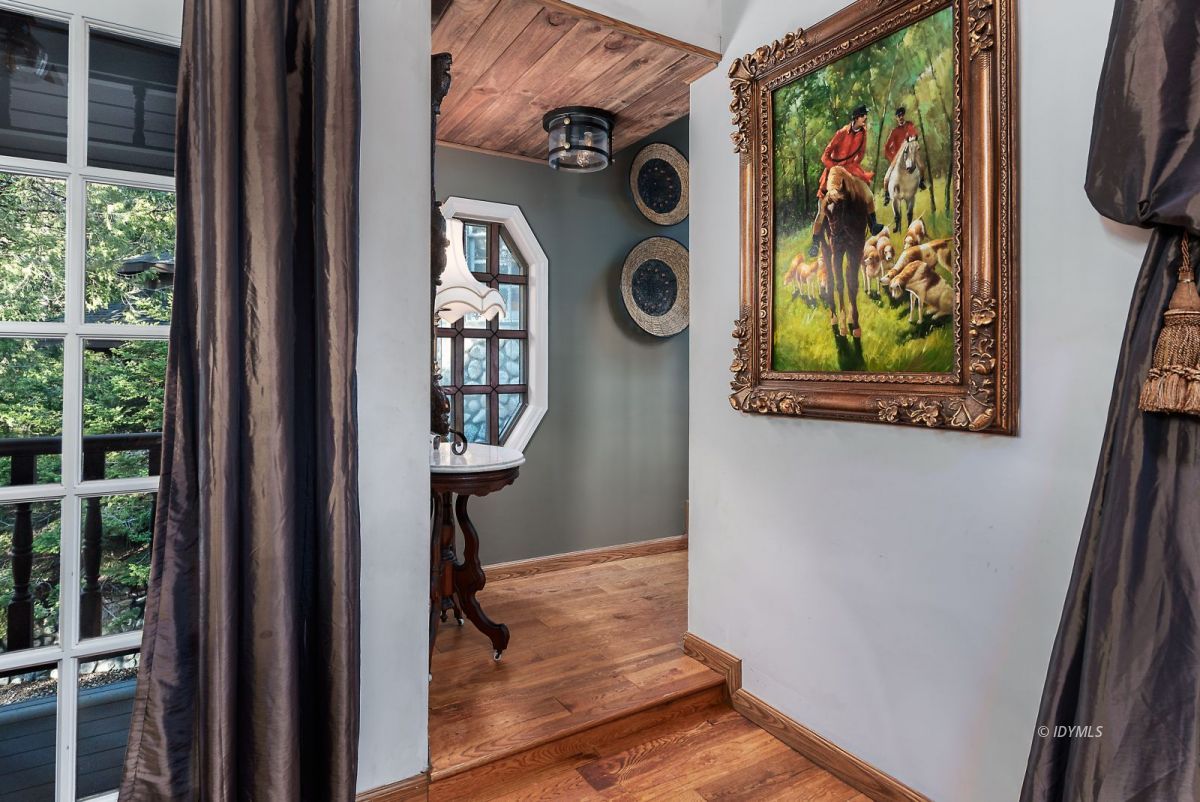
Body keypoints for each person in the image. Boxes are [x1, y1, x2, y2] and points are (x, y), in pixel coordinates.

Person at [808, 104, 885, 258]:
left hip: (851, 170)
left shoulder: (863, 133)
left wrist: (853, 165)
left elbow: (861, 153)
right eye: (863, 116)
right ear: (856, 117)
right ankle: (815, 243)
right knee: (822, 208)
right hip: (834, 171)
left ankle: (873, 224)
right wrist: (835, 168)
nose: (865, 119)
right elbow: (825, 156)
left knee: (868, 195)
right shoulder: (841, 133)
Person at [882, 107, 927, 206]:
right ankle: (886, 195)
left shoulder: (910, 125)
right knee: (885, 179)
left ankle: (921, 182)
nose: (901, 117)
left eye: (902, 115)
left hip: (911, 151)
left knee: (922, 166)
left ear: (904, 116)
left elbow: (914, 134)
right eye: (899, 116)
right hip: (898, 156)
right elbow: (886, 148)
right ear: (896, 118)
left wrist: (912, 140)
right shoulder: (894, 131)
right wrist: (892, 158)